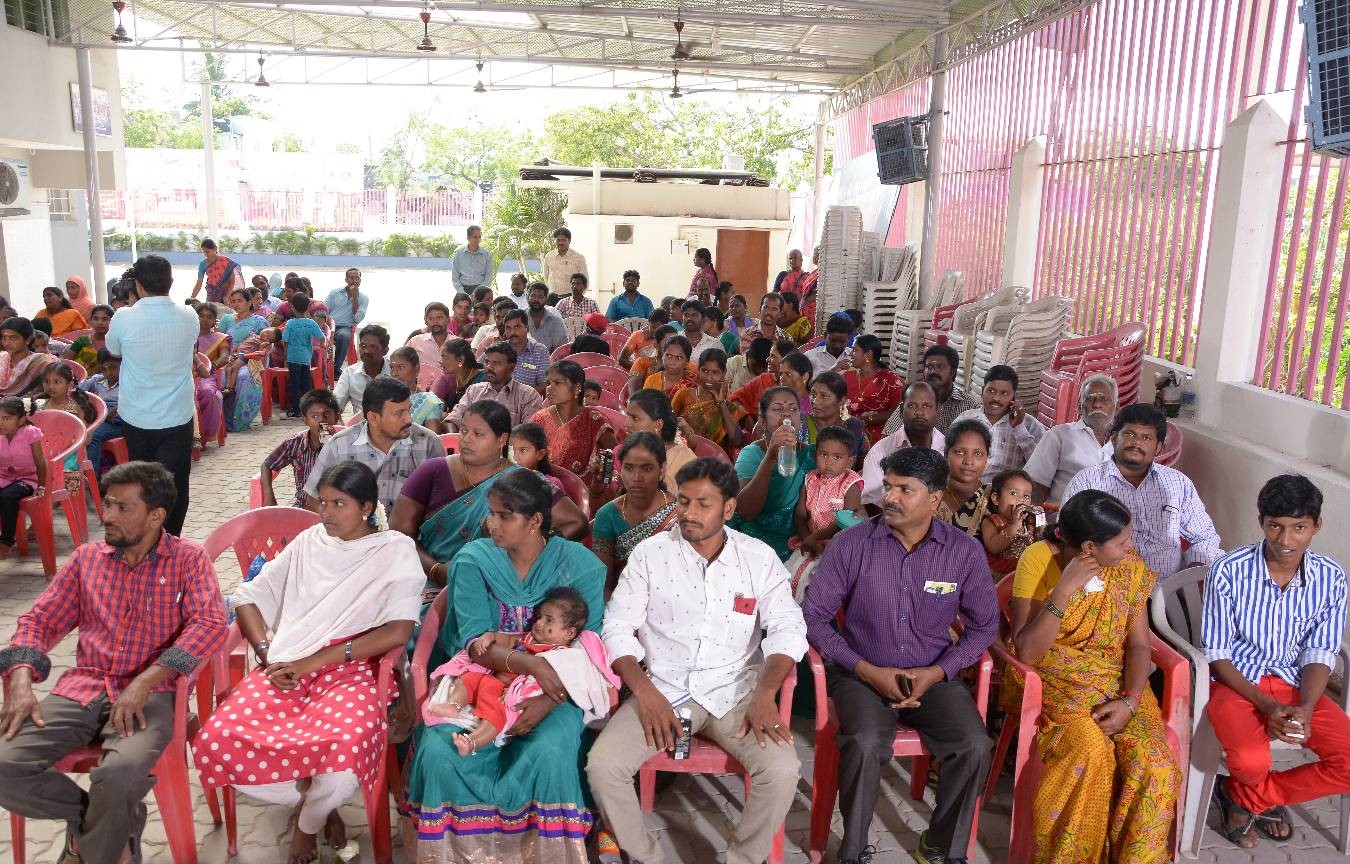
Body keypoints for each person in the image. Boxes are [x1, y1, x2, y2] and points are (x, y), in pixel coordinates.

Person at [196, 460, 423, 864]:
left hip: (353, 668)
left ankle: (306, 826)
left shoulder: (393, 550)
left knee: (343, 762)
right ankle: (317, 803)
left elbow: (398, 632)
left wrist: (317, 661)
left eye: (339, 504)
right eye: (323, 502)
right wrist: (266, 655)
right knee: (217, 741)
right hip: (289, 662)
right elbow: (247, 596)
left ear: (366, 507)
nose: (326, 513)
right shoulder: (310, 542)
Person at [0, 461, 227, 864]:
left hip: (152, 694)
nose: (107, 516)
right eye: (107, 504)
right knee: (4, 763)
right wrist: (20, 682)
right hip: (83, 686)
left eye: (123, 508)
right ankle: (113, 823)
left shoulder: (188, 559)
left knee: (118, 775)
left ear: (156, 516)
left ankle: (86, 846)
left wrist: (147, 679)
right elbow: (39, 620)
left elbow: (209, 625)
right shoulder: (88, 559)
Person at [589, 457, 808, 864]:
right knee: (603, 767)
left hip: (736, 694)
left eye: (703, 504)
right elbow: (616, 627)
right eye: (683, 501)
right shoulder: (650, 555)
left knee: (781, 771)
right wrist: (646, 694)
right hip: (663, 692)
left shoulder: (757, 558)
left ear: (728, 508)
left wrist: (766, 694)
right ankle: (647, 857)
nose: (688, 513)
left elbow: (788, 628)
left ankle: (741, 859)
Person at [802, 447, 998, 864]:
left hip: (932, 677)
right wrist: (866, 670)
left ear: (935, 498)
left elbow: (984, 627)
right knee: (864, 742)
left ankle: (940, 847)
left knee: (974, 746)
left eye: (905, 490)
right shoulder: (851, 544)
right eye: (888, 486)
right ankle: (853, 851)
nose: (890, 497)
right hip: (861, 674)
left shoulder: (963, 552)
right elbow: (813, 617)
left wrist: (938, 672)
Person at [401, 470, 605, 863]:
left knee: (549, 749)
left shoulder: (581, 566)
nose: (491, 523)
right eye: (491, 513)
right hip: (478, 680)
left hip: (557, 690)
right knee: (441, 751)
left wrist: (548, 698)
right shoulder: (474, 561)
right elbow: (475, 643)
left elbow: (589, 649)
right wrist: (532, 664)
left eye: (504, 515)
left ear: (535, 521)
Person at [1009, 489, 1179, 863]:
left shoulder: (1128, 568)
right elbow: (1027, 651)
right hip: (1054, 680)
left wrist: (1130, 701)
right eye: (1121, 541)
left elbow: (1138, 645)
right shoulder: (1039, 558)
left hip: (1116, 682)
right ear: (1088, 547)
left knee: (1155, 763)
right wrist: (1064, 590)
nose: (1129, 548)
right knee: (1090, 751)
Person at [1203, 474, 1350, 850]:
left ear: (1316, 525)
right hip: (1236, 683)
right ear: (1262, 522)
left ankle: (1244, 798)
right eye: (1275, 526)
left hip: (1295, 684)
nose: (1285, 540)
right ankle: (1253, 794)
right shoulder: (1229, 571)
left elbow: (1320, 651)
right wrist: (1267, 706)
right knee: (1251, 763)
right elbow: (1217, 654)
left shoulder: (1332, 578)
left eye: (1299, 527)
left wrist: (1306, 707)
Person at [393, 401, 589, 594]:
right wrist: (436, 571)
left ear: (502, 439)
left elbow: (576, 523)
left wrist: (509, 559)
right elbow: (399, 534)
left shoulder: (523, 480)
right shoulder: (433, 471)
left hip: (494, 585)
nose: (467, 439)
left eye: (478, 434)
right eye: (463, 431)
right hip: (425, 581)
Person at [424, 586, 613, 758]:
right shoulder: (529, 638)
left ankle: (473, 741)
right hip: (491, 680)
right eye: (539, 617)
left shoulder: (564, 655)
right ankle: (453, 705)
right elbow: (508, 641)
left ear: (569, 633)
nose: (539, 623)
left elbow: (566, 682)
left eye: (549, 620)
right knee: (468, 678)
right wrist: (490, 636)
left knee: (494, 712)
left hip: (506, 694)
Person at [1063, 403, 1221, 577]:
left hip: (1168, 587)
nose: (1136, 442)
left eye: (1146, 438)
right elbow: (1068, 540)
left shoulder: (1178, 483)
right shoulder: (1087, 482)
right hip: (1105, 587)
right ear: (1114, 438)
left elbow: (1204, 537)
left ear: (1159, 447)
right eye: (1129, 434)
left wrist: (1189, 579)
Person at [105, 255, 199, 536]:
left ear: (137, 285)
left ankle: (145, 538)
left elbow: (113, 350)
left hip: (137, 416)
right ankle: (171, 540)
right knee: (175, 484)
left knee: (143, 484)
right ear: (171, 282)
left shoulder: (124, 317)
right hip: (177, 415)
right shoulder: (189, 315)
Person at [305, 376, 446, 512]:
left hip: (413, 528)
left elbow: (443, 503)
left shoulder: (428, 443)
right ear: (373, 418)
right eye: (399, 413)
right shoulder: (338, 447)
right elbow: (314, 502)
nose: (408, 419)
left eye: (408, 410)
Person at [591, 431, 677, 595]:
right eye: (629, 468)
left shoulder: (679, 513)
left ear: (662, 469)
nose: (636, 478)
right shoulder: (607, 515)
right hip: (621, 602)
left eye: (647, 468)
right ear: (620, 469)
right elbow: (603, 586)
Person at [729, 386, 810, 561]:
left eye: (793, 409)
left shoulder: (811, 455)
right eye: (778, 409)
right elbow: (745, 512)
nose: (786, 414)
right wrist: (770, 456)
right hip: (755, 544)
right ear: (763, 421)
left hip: (799, 545)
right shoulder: (751, 454)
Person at [1024, 373, 1117, 504]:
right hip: (1063, 515)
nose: (1097, 404)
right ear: (1080, 406)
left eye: (1104, 399)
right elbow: (1035, 487)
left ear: (1116, 407)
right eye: (1090, 399)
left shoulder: (1123, 443)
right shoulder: (1059, 436)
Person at [952, 364, 1046, 483]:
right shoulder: (965, 420)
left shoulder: (1030, 425)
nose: (996, 398)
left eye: (1004, 393)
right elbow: (949, 456)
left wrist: (1019, 428)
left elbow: (1040, 468)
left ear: (1014, 396)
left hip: (1007, 491)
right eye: (991, 391)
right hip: (967, 488)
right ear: (983, 391)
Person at [860, 381, 945, 508]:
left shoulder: (949, 450)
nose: (919, 412)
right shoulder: (880, 451)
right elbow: (871, 503)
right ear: (901, 411)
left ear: (938, 410)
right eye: (912, 405)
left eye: (926, 406)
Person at [528, 359, 617, 478]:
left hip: (585, 488)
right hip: (543, 485)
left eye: (558, 383)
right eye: (548, 383)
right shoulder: (539, 419)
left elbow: (615, 457)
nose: (549, 388)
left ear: (577, 388)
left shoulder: (594, 420)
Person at [792, 424, 864, 566]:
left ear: (850, 461)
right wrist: (807, 539)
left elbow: (847, 523)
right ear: (815, 455)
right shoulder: (810, 479)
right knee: (797, 571)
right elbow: (800, 516)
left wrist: (816, 537)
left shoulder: (850, 484)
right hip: (811, 541)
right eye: (823, 455)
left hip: (840, 546)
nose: (828, 462)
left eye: (837, 457)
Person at [261, 388, 340, 508]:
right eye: (314, 416)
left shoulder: (343, 445)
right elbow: (267, 465)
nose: (321, 420)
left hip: (334, 508)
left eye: (326, 415)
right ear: (305, 420)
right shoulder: (294, 444)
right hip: (303, 506)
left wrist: (330, 443)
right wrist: (268, 494)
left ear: (336, 417)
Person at [881, 345, 981, 438]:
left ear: (953, 372)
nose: (933, 371)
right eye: (929, 367)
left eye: (940, 366)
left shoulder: (969, 405)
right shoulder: (912, 400)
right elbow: (888, 436)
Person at [444, 342, 544, 429]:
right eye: (487, 362)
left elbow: (528, 434)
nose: (489, 367)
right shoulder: (474, 391)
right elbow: (452, 420)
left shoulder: (528, 396)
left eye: (496, 363)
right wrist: (453, 441)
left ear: (511, 368)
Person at [624, 388, 696, 493]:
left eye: (635, 418)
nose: (626, 424)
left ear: (658, 425)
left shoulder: (685, 463)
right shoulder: (630, 452)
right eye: (627, 416)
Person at [672, 348, 744, 452]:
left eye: (715, 372)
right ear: (698, 370)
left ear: (724, 373)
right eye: (705, 371)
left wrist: (721, 403)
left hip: (713, 458)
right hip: (683, 453)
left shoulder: (729, 406)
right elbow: (669, 426)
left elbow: (736, 441)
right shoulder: (684, 395)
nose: (709, 377)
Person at [0, 398, 44, 556]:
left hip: (28, 479)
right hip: (4, 477)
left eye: (6, 418)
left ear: (21, 420)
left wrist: (42, 486)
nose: (1, 423)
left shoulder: (30, 433)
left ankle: (6, 540)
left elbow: (40, 462)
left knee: (7, 496)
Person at [935, 419, 994, 538]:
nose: (968, 461)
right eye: (960, 452)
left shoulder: (996, 497)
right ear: (946, 455)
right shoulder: (929, 496)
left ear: (987, 458)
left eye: (978, 454)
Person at [844, 334, 905, 445]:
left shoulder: (890, 380)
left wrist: (868, 419)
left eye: (855, 350)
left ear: (868, 355)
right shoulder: (847, 377)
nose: (850, 354)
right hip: (848, 437)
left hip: (881, 440)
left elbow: (900, 411)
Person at [980, 469, 1038, 576]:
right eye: (1013, 493)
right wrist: (1014, 526)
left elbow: (1038, 542)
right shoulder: (992, 521)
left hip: (1025, 569)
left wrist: (1040, 522)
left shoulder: (1027, 522)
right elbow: (993, 547)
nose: (1020, 499)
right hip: (1000, 574)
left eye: (1026, 496)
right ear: (996, 499)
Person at [806, 371, 868, 467]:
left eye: (824, 396)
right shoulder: (801, 424)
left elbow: (864, 466)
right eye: (813, 395)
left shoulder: (854, 427)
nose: (815, 401)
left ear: (842, 401)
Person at [281, 295, 325, 418]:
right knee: (306, 383)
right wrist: (322, 347)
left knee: (294, 384)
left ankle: (296, 409)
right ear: (308, 307)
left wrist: (285, 356)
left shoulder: (290, 323)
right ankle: (308, 408)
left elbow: (285, 341)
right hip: (306, 358)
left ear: (292, 307)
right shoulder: (311, 323)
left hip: (293, 358)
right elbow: (322, 338)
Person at [332, 324, 391, 417]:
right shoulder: (350, 373)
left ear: (385, 350)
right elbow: (335, 406)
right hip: (361, 425)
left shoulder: (395, 371)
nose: (366, 351)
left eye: (372, 347)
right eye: (363, 346)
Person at [79, 350, 122, 474]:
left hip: (117, 423)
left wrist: (111, 413)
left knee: (92, 436)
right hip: (97, 419)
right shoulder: (97, 380)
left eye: (113, 368)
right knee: (75, 431)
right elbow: (77, 391)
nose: (108, 373)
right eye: (104, 369)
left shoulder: (128, 383)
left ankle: (91, 476)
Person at [193, 303, 228, 442]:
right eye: (201, 316)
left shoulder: (219, 338)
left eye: (209, 317)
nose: (205, 319)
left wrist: (209, 366)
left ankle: (207, 434)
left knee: (207, 392)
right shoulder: (186, 336)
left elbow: (225, 357)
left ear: (214, 320)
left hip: (207, 376)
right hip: (186, 373)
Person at [0, 317, 59, 398]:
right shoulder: (2, 358)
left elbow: (57, 390)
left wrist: (30, 400)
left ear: (28, 339)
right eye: (4, 337)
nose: (6, 343)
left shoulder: (43, 363)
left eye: (13, 338)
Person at [324, 268, 368, 374]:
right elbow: (324, 310)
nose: (354, 281)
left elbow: (357, 318)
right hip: (329, 325)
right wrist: (325, 324)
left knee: (344, 337)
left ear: (360, 280)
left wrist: (355, 297)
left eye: (357, 278)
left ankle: (335, 369)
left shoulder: (363, 298)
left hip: (345, 327)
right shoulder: (335, 293)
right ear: (346, 280)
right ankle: (321, 367)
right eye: (351, 278)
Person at [403, 302, 452, 391]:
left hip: (452, 392)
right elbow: (402, 363)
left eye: (439, 318)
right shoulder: (415, 342)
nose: (435, 322)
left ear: (448, 320)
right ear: (426, 321)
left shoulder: (457, 343)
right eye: (431, 318)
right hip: (420, 393)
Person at [431, 338, 486, 414]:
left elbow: (478, 413)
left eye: (445, 357)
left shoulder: (483, 380)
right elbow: (436, 402)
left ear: (460, 360)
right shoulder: (448, 377)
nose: (440, 361)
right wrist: (440, 404)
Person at [502, 309, 552, 391]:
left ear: (527, 328)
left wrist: (523, 395)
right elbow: (480, 369)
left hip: (528, 397)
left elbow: (544, 384)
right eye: (508, 328)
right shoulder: (499, 349)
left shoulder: (539, 351)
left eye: (517, 327)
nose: (512, 332)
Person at [624, 324, 678, 399]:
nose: (673, 346)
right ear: (656, 344)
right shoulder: (642, 363)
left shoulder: (685, 365)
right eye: (668, 342)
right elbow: (634, 396)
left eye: (677, 343)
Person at [190, 237, 243, 303]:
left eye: (208, 252)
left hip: (226, 295)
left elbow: (232, 281)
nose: (206, 254)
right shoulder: (202, 264)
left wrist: (227, 296)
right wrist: (192, 298)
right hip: (211, 294)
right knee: (210, 309)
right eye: (204, 252)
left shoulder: (225, 261)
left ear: (215, 249)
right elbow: (199, 283)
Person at [63, 303, 113, 374]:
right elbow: (65, 362)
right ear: (91, 321)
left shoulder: (116, 344)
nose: (100, 322)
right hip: (80, 378)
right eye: (95, 319)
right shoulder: (82, 341)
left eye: (105, 319)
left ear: (113, 321)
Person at [643, 333, 696, 398]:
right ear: (663, 356)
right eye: (669, 356)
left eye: (679, 358)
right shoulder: (652, 381)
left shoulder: (693, 382)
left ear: (687, 362)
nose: (672, 362)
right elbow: (646, 403)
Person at [541, 226, 588, 299]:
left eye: (563, 240)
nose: (560, 243)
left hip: (571, 298)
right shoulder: (549, 256)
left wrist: (577, 297)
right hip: (552, 298)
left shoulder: (579, 258)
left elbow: (585, 280)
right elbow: (546, 277)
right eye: (558, 240)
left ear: (569, 241)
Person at [524, 282, 570, 353]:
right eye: (533, 296)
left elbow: (560, 350)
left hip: (549, 359)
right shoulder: (520, 319)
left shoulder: (555, 322)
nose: (536, 299)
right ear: (528, 298)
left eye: (540, 297)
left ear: (546, 300)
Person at [451, 224, 497, 295]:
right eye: (475, 237)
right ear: (468, 237)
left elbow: (489, 276)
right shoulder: (459, 253)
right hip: (462, 289)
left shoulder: (487, 254)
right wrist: (462, 292)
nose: (478, 240)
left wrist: (478, 292)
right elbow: (455, 276)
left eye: (479, 237)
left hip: (481, 290)